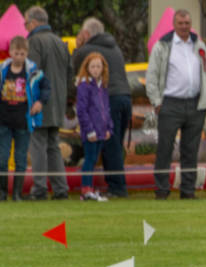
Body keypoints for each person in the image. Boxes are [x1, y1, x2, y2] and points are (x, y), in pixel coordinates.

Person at [145, 9, 206, 200]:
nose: (184, 27)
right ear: (174, 25)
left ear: (191, 25)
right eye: (180, 23)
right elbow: (151, 76)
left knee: (191, 150)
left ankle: (188, 191)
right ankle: (161, 191)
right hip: (170, 103)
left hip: (195, 104)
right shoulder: (163, 46)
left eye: (187, 23)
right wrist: (157, 102)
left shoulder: (199, 45)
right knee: (165, 149)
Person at [73, 17, 132, 198]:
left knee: (110, 146)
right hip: (125, 98)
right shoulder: (115, 48)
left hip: (108, 99)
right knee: (115, 144)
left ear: (86, 34)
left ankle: (118, 188)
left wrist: (78, 47)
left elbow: (74, 68)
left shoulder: (86, 50)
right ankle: (115, 184)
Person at [24, 6, 72, 200]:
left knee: (37, 145)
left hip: (40, 103)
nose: (25, 26)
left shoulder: (34, 42)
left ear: (34, 22)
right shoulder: (61, 42)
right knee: (53, 146)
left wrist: (34, 101)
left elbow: (32, 74)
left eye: (26, 22)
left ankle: (39, 189)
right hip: (58, 102)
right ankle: (61, 189)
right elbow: (70, 74)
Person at [0, 36, 50, 201]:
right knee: (2, 158)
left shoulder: (34, 72)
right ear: (11, 52)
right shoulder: (3, 70)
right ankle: (2, 193)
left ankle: (17, 194)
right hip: (4, 121)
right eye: (16, 53)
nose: (19, 57)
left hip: (23, 121)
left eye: (22, 54)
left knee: (21, 159)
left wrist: (40, 102)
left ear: (26, 53)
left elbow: (46, 88)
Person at [76, 53, 112, 202]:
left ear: (103, 68)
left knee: (94, 160)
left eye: (98, 66)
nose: (96, 69)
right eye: (93, 66)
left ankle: (90, 189)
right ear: (87, 68)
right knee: (89, 159)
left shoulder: (102, 87)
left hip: (102, 131)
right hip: (90, 132)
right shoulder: (84, 86)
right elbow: (82, 110)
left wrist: (109, 128)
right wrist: (89, 130)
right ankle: (85, 190)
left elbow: (107, 109)